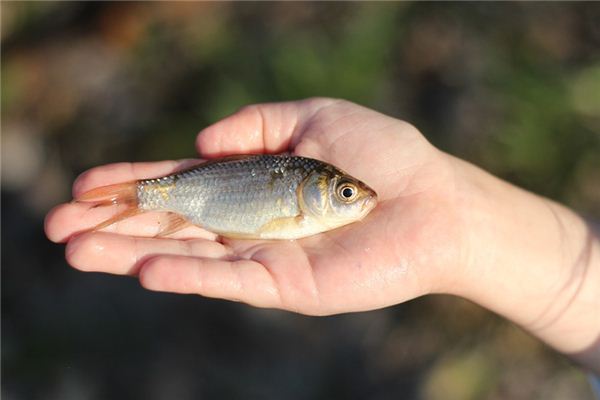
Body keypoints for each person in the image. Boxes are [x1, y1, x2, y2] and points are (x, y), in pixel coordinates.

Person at [45, 98, 600, 375]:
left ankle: (129, 198)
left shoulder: (307, 189)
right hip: (195, 197)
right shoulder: (297, 185)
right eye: (344, 194)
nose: (353, 201)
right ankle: (129, 196)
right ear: (313, 189)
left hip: (204, 201)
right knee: (134, 207)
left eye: (346, 196)